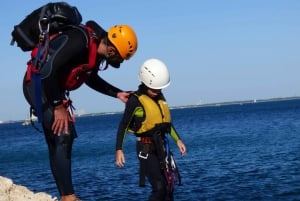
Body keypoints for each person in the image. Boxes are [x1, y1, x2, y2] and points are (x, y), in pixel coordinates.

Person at [22, 20, 138, 201]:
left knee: (59, 139)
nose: (119, 63)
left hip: (51, 89)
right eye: (120, 59)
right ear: (112, 51)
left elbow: (89, 78)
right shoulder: (79, 41)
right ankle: (69, 197)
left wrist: (117, 93)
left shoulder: (95, 52)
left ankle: (66, 195)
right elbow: (47, 70)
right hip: (37, 85)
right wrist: (58, 106)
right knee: (63, 134)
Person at [115, 58, 187, 201]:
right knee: (159, 187)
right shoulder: (135, 101)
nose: (157, 91)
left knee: (169, 188)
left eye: (160, 89)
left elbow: (165, 122)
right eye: (154, 89)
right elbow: (123, 125)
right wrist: (119, 149)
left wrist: (178, 139)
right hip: (145, 147)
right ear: (145, 82)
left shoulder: (159, 97)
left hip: (161, 145)